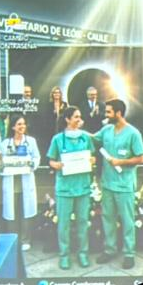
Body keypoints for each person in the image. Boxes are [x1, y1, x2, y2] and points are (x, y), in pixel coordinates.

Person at [93, 98, 143, 269]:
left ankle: (129, 254)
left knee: (127, 220)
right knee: (107, 218)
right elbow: (93, 138)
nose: (105, 115)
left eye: (108, 112)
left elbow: (141, 158)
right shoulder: (106, 130)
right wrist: (75, 131)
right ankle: (110, 250)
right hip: (107, 184)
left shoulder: (133, 133)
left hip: (124, 186)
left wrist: (121, 162)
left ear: (118, 113)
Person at [46, 106, 94, 270]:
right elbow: (50, 161)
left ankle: (83, 254)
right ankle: (64, 255)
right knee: (64, 224)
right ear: (67, 119)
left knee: (82, 222)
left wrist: (92, 161)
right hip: (65, 188)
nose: (79, 120)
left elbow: (92, 156)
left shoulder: (86, 138)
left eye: (80, 117)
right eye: (76, 117)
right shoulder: (58, 139)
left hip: (83, 187)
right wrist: (57, 164)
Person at [0, 114, 40, 253]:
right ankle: (13, 239)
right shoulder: (5, 143)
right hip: (11, 182)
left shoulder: (31, 141)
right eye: (19, 124)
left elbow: (37, 157)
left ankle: (25, 239)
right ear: (13, 127)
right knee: (12, 212)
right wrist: (4, 164)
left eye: (23, 124)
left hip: (25, 180)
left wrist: (31, 164)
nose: (22, 127)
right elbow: (1, 161)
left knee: (25, 211)